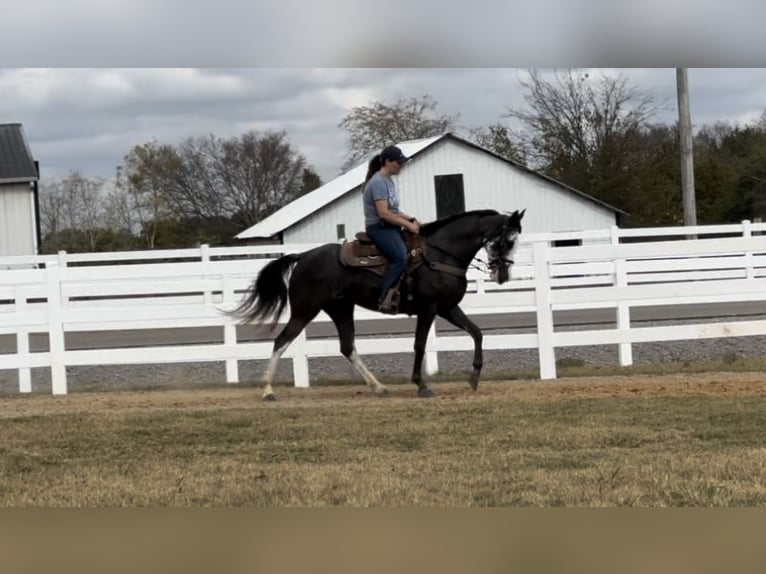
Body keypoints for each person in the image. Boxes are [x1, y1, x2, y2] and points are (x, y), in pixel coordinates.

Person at [362, 145, 421, 314]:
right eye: (398, 162)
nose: (401, 166)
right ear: (387, 162)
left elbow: (394, 211)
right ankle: (383, 298)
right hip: (379, 228)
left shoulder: (388, 181)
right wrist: (408, 225)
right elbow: (383, 213)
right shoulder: (378, 182)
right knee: (400, 257)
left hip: (390, 226)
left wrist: (411, 219)